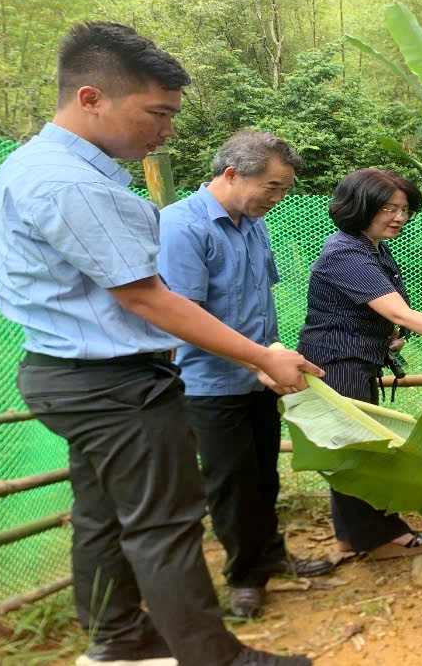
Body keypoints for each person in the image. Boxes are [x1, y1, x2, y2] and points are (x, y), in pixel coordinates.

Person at [0, 22, 322, 666]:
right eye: (157, 113)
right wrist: (260, 355)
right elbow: (148, 297)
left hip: (74, 374)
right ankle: (212, 656)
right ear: (92, 98)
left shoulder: (40, 165)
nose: (167, 131)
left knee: (102, 515)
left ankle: (117, 636)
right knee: (164, 525)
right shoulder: (73, 183)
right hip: (114, 384)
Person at [158, 131, 334, 620]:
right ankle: (244, 578)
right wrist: (259, 359)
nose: (278, 199)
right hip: (211, 384)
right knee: (231, 482)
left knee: (262, 474)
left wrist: (270, 356)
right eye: (272, 187)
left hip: (260, 376)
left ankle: (272, 553)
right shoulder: (181, 227)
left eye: (284, 190)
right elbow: (185, 317)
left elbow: (257, 300)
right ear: (232, 174)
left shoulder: (253, 223)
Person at [297, 169, 422, 559]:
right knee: (360, 455)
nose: (398, 217)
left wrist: (385, 335)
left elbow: (378, 312)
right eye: (387, 208)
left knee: (351, 451)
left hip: (354, 358)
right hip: (337, 363)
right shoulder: (345, 251)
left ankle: (352, 537)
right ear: (359, 207)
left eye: (404, 209)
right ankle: (378, 540)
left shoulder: (370, 246)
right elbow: (402, 312)